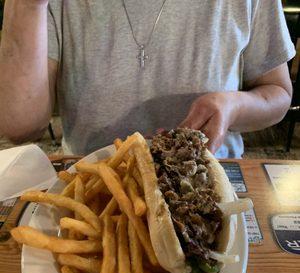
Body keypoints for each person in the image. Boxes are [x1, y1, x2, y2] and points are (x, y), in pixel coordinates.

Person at [0, 0, 295, 157]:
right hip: (91, 183)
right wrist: (28, 5)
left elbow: (278, 93)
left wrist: (233, 107)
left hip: (210, 178)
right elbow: (20, 126)